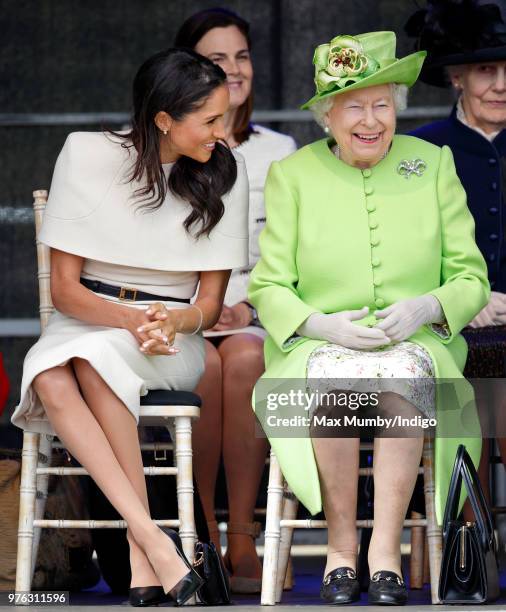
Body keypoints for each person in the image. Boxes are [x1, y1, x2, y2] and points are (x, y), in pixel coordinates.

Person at [248, 31, 489, 605]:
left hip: (420, 344)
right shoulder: (293, 175)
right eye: (353, 105)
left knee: (400, 379)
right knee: (334, 383)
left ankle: (385, 550)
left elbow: (470, 277)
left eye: (382, 104)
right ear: (327, 114)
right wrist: (319, 325)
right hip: (317, 343)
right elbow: (269, 285)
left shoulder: (433, 163)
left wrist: (428, 306)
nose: (370, 120)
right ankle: (339, 550)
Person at [11, 48, 248, 607]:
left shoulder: (222, 172)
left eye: (225, 116)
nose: (224, 131)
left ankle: (147, 549)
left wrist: (171, 320)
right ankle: (150, 542)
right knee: (55, 371)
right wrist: (130, 320)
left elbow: (209, 306)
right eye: (211, 120)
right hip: (87, 321)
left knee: (82, 365)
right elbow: (64, 291)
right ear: (164, 118)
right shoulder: (86, 155)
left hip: (174, 338)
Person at [174, 8, 296, 593]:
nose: (234, 68)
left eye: (242, 55)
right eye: (217, 58)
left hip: (256, 312)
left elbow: (293, 252)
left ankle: (244, 535)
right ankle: (200, 536)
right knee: (205, 367)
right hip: (184, 310)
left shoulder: (282, 149)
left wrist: (248, 307)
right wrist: (201, 304)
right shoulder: (170, 147)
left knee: (245, 358)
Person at [406, 0, 506, 510]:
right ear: (457, 78)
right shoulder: (417, 151)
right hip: (447, 325)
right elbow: (397, 253)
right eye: (487, 70)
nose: (502, 84)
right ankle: (470, 545)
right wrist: (458, 301)